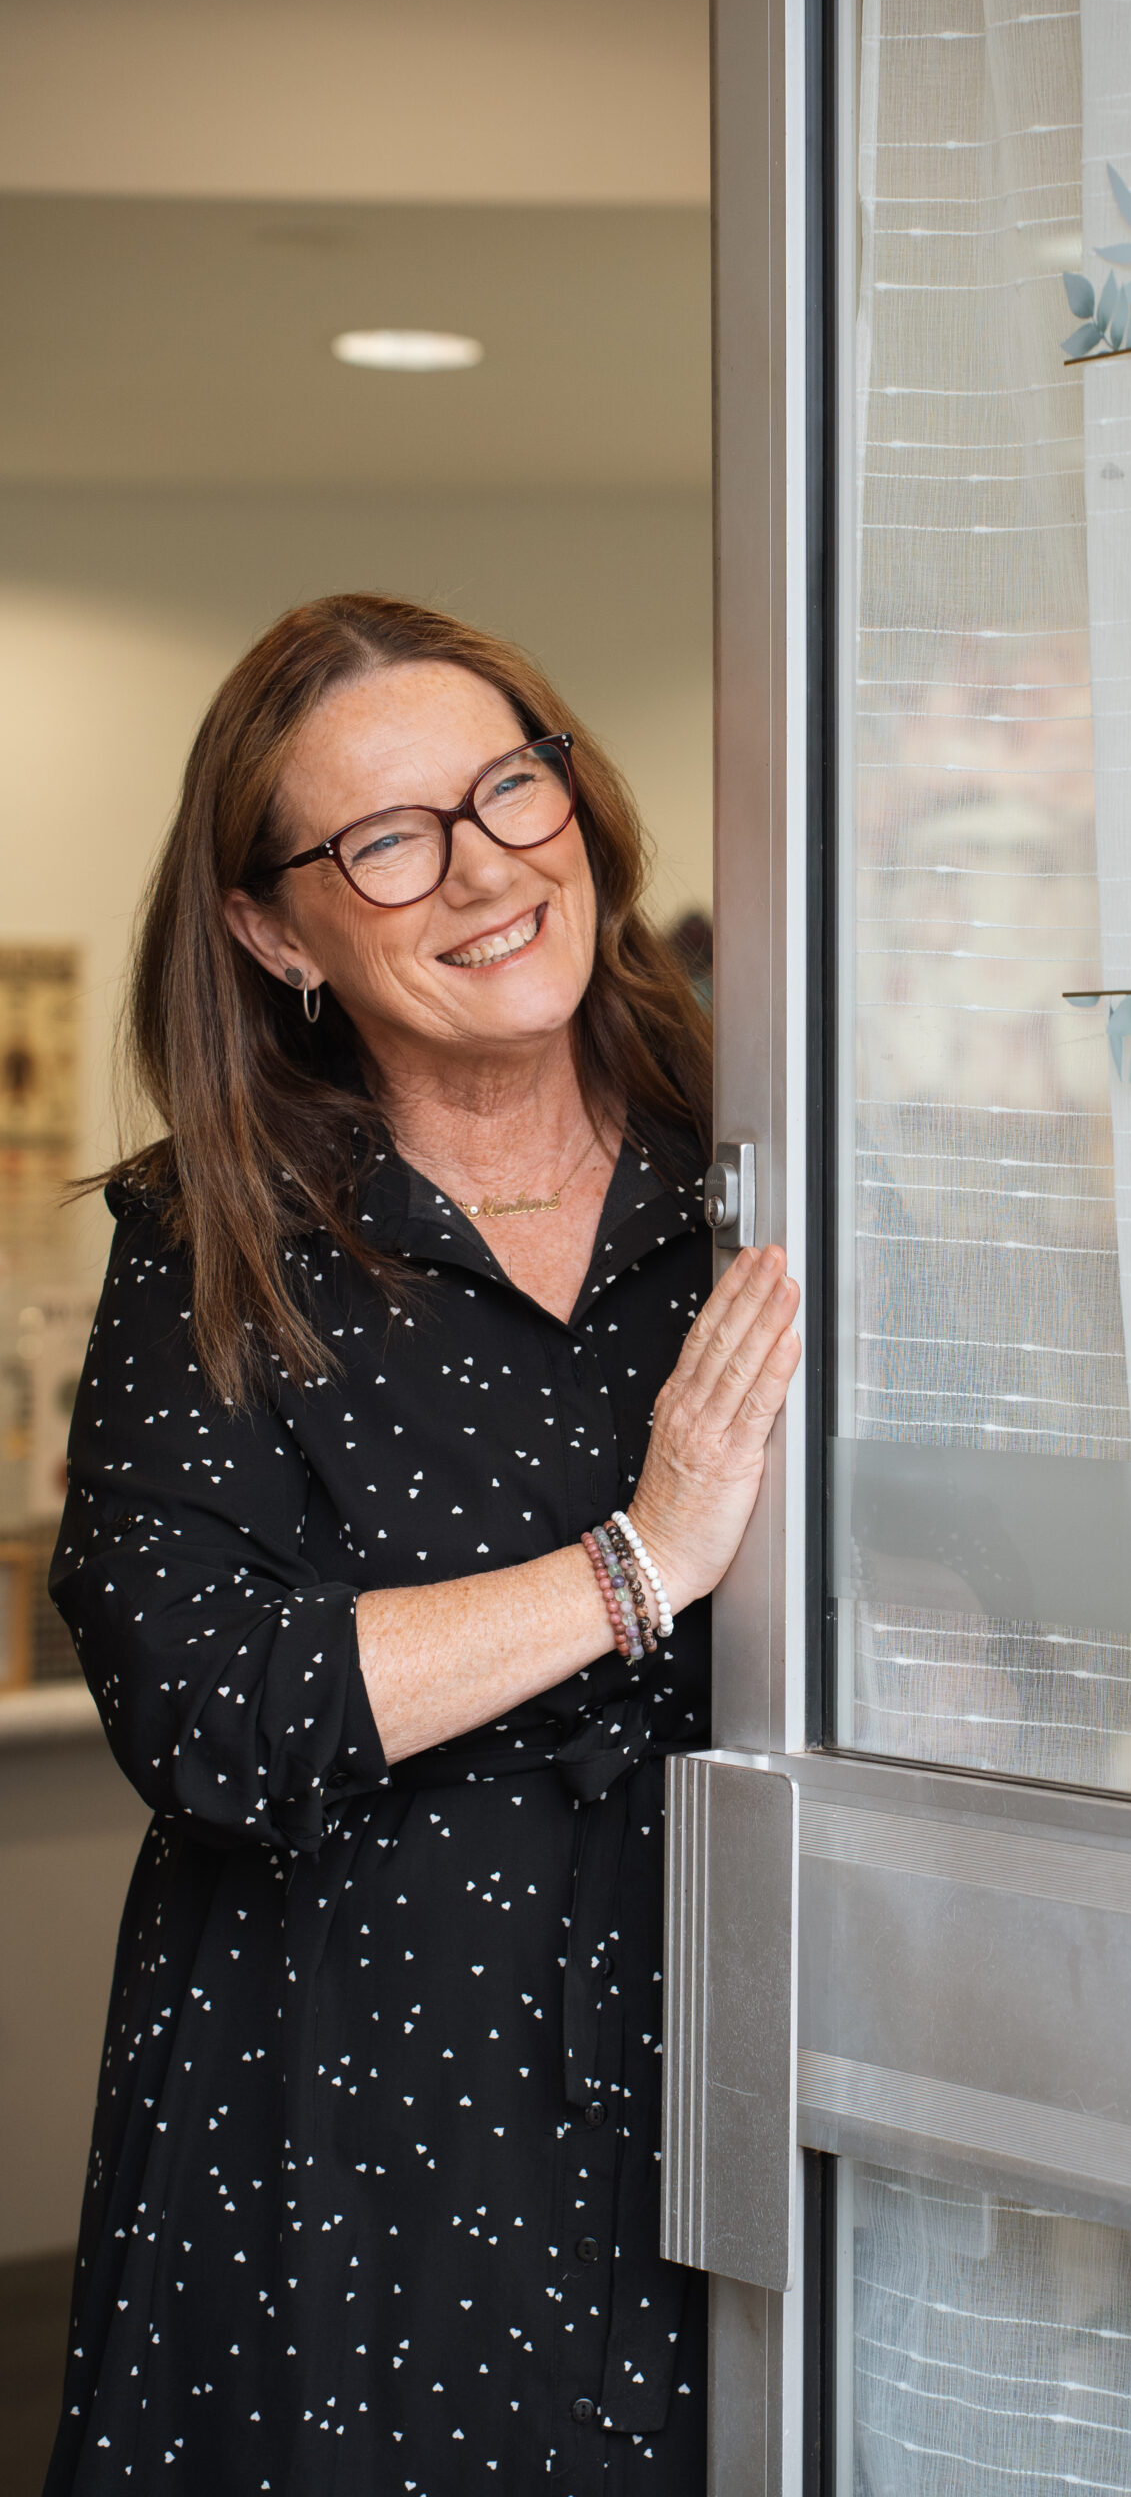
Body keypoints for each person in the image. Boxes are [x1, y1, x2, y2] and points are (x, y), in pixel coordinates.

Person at [43, 594, 799, 2495]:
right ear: (273, 927)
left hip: (716, 2083)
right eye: (386, 839)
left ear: (582, 806)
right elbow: (203, 1707)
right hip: (341, 2135)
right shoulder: (207, 1236)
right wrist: (637, 1562)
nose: (482, 871)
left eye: (507, 790)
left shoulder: (754, 1174)